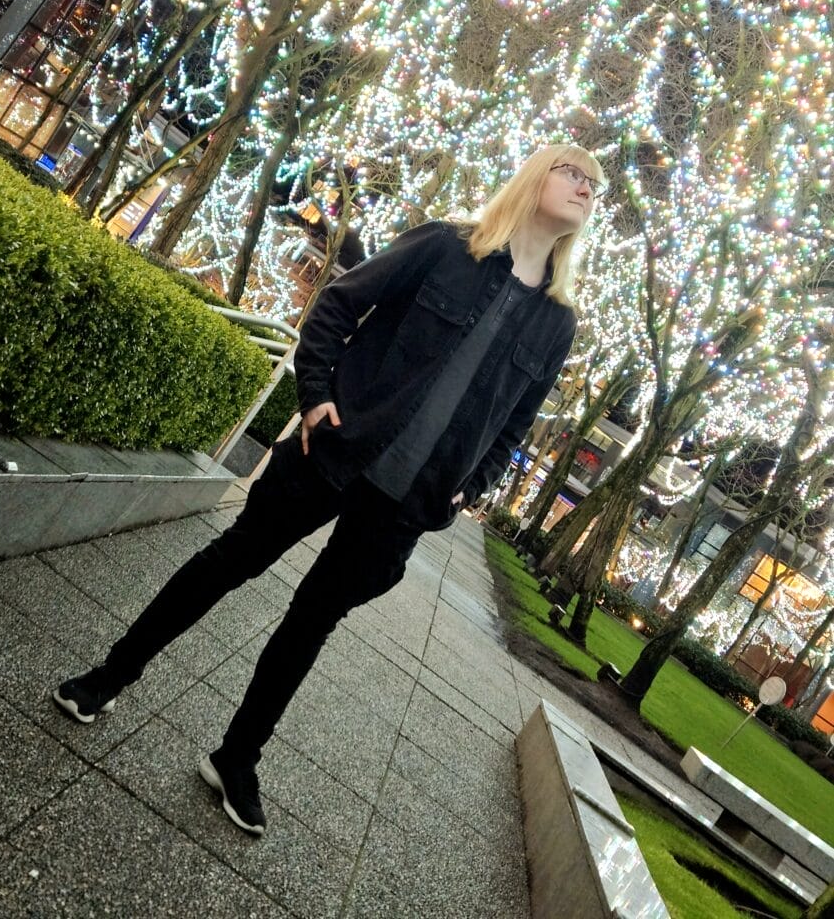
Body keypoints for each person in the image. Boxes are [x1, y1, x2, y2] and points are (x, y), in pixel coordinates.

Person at [52, 143, 605, 836]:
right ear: (535, 178)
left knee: (311, 624)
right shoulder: (444, 245)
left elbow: (515, 422)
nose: (587, 189)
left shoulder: (556, 322)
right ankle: (109, 676)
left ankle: (237, 758)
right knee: (231, 560)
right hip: (333, 451)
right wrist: (314, 395)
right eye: (573, 173)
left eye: (595, 186)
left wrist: (472, 486)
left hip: (407, 503)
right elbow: (340, 305)